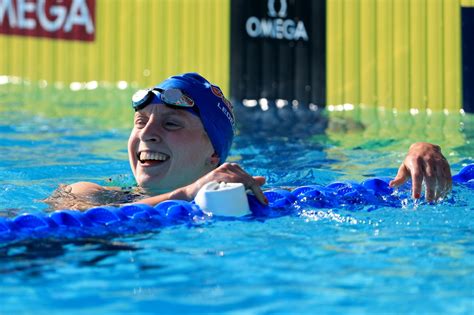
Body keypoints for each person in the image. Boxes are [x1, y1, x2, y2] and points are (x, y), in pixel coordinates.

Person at [48, 73, 452, 210]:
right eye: (140, 122)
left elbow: (366, 193)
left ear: (214, 155)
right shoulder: (93, 195)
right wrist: (187, 193)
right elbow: (62, 219)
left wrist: (420, 150)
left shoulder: (256, 194)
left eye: (171, 124)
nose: (147, 133)